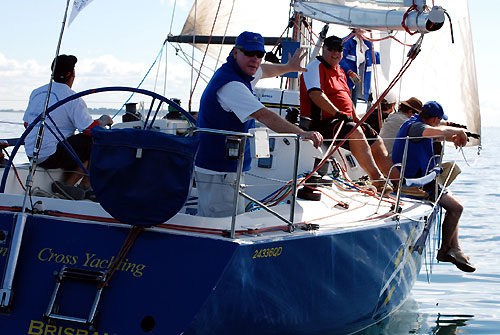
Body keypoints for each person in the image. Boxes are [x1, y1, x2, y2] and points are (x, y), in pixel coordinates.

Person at [195, 31, 323, 217]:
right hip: (220, 170)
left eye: (259, 54)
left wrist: (288, 67)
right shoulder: (232, 85)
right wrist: (302, 133)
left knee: (226, 218)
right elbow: (266, 117)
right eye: (249, 53)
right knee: (223, 224)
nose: (255, 59)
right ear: (235, 52)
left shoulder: (239, 72)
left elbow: (266, 70)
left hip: (224, 168)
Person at [299, 35, 398, 193]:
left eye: (339, 50)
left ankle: (399, 183)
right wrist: (337, 113)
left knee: (375, 138)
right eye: (331, 48)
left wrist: (357, 118)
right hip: (323, 123)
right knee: (355, 131)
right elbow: (315, 94)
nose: (335, 53)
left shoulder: (340, 71)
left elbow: (346, 97)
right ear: (323, 48)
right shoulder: (314, 67)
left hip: (344, 121)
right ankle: (378, 180)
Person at [392, 101, 475, 272]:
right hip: (415, 183)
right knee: (456, 208)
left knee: (453, 200)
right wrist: (457, 132)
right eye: (439, 120)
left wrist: (451, 135)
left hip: (425, 179)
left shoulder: (415, 123)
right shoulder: (416, 127)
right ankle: (445, 250)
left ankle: (455, 248)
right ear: (435, 118)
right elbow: (433, 131)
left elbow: (438, 132)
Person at [23, 54, 113, 200]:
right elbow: (90, 130)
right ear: (72, 74)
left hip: (31, 153)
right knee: (96, 142)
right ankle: (78, 186)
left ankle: (73, 185)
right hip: (51, 156)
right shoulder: (73, 98)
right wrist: (104, 120)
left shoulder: (36, 92)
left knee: (81, 148)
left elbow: (27, 124)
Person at [339, 29, 378, 107]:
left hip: (358, 80)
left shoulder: (367, 43)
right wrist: (349, 71)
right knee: (347, 103)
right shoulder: (347, 41)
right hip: (346, 79)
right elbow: (340, 59)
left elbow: (375, 57)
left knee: (353, 103)